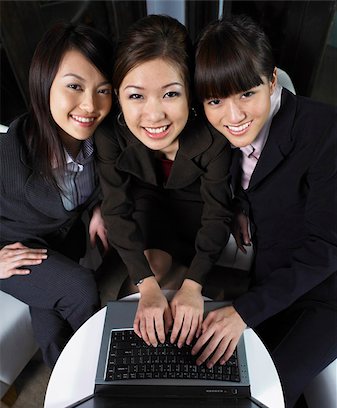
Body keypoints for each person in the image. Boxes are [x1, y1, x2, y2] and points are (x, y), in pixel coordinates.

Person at [193, 14, 337, 408]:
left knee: (265, 398)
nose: (233, 115)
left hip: (328, 292)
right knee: (216, 370)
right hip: (274, 276)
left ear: (273, 80)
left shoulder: (326, 132)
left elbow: (327, 247)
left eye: (246, 94)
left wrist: (244, 310)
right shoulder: (220, 134)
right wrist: (241, 207)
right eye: (215, 101)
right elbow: (251, 179)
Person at [95, 15, 233, 349]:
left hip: (196, 206)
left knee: (192, 290)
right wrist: (147, 284)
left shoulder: (214, 136)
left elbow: (218, 215)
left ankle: (200, 281)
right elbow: (116, 209)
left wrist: (193, 284)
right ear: (118, 95)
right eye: (136, 96)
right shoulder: (110, 133)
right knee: (148, 277)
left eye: (170, 94)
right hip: (148, 201)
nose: (154, 115)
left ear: (191, 93)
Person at [0, 22, 114, 367]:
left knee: (50, 328)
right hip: (15, 247)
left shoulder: (102, 137)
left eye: (103, 90)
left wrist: (98, 207)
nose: (89, 105)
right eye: (74, 86)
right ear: (44, 83)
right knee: (79, 289)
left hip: (60, 241)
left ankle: (65, 386)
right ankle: (101, 366)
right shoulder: (9, 157)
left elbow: (103, 178)